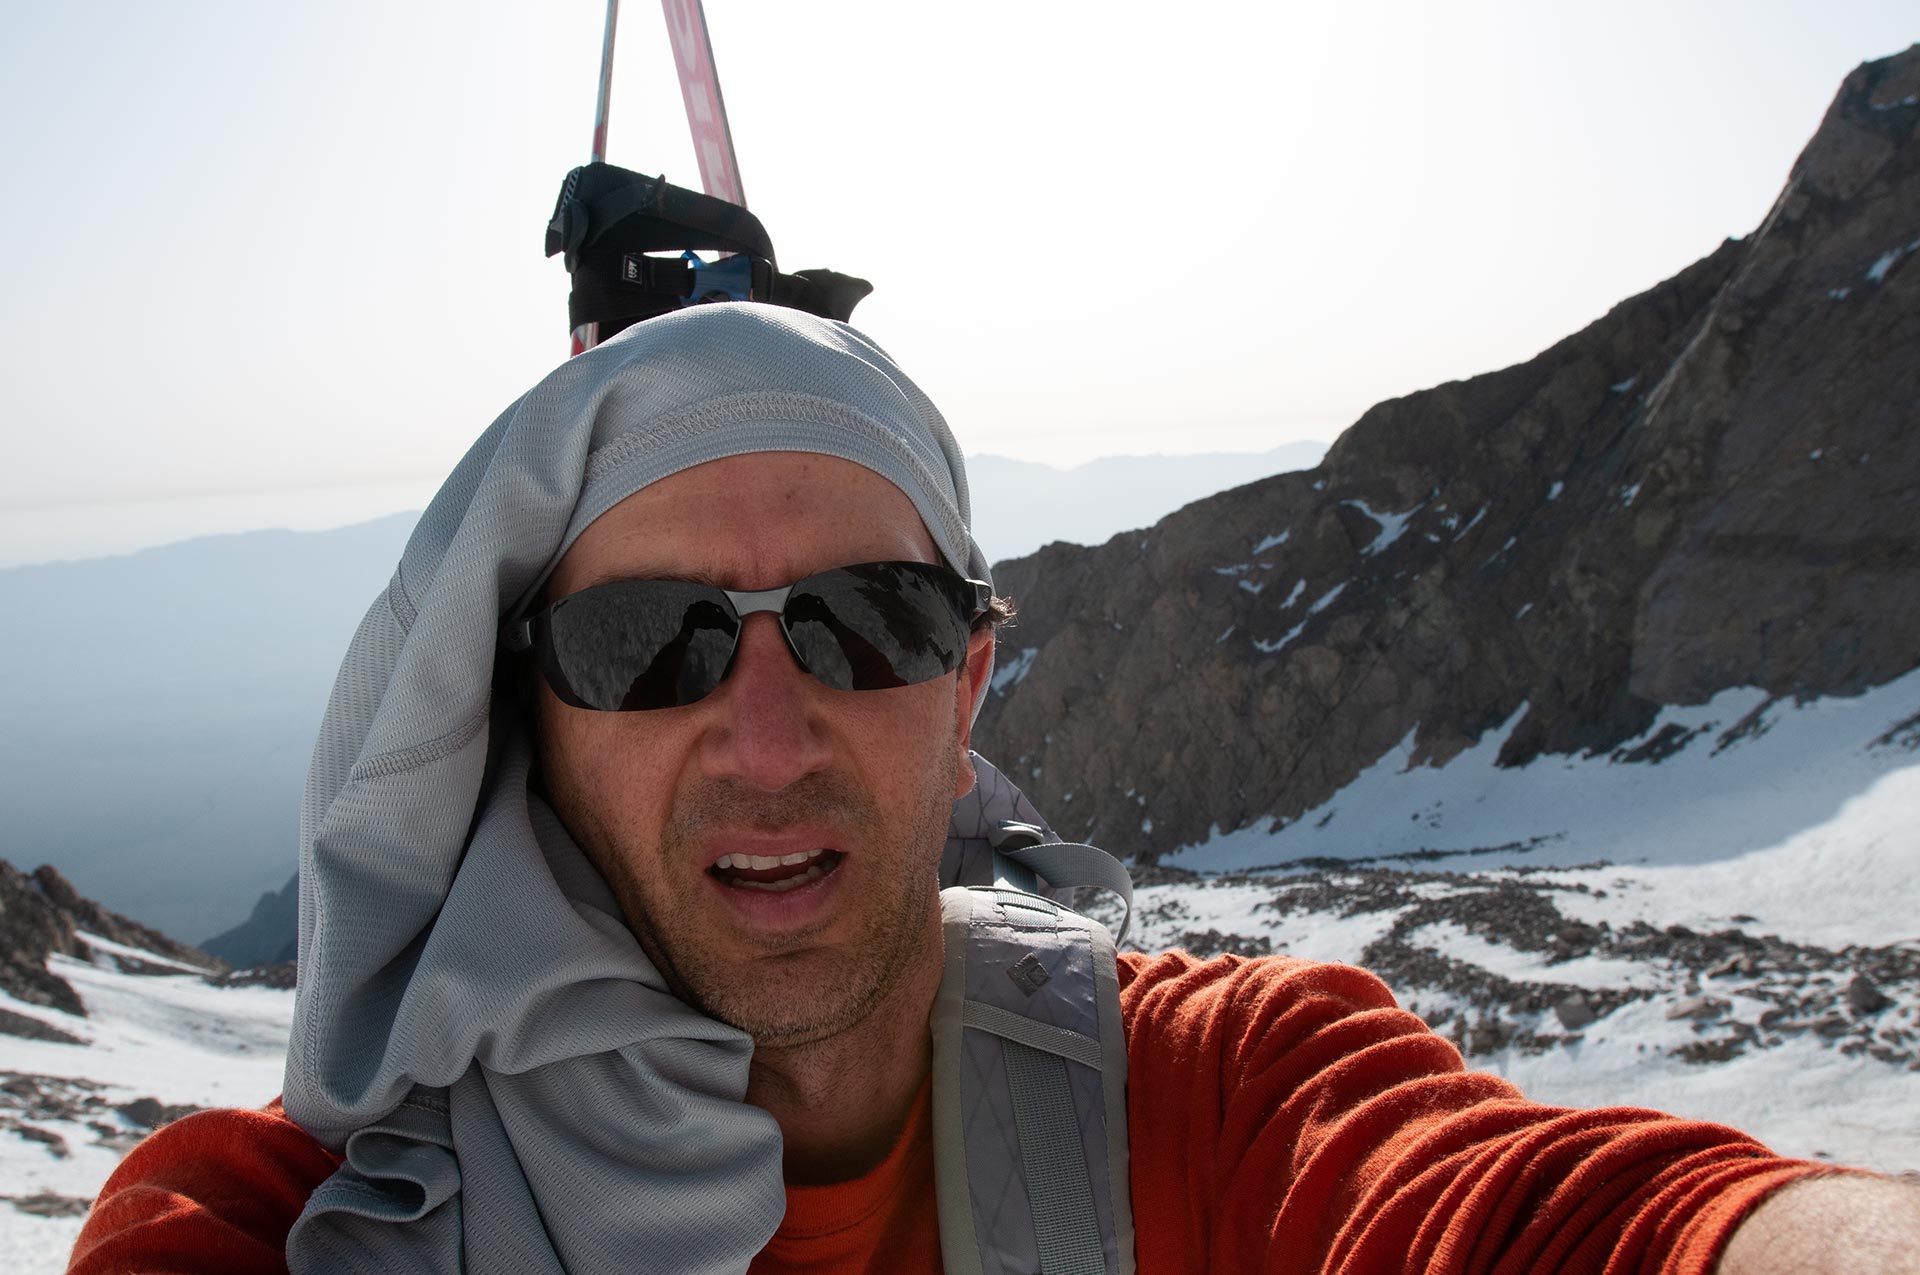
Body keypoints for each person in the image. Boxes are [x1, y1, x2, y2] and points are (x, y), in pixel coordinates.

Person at [70, 304, 1919, 1274]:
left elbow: (1559, 1221)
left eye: (868, 625)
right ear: (528, 716)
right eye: (650, 644)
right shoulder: (298, 1227)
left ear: (967, 689)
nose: (772, 733)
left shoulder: (1210, 1095)